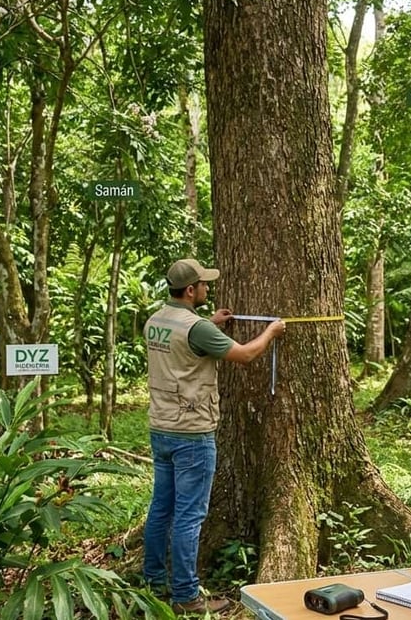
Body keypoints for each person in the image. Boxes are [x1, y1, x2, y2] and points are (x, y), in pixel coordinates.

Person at [143, 258, 285, 616]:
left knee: (161, 509)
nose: (208, 288)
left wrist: (211, 323)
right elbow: (246, 354)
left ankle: (153, 581)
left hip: (161, 428)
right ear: (190, 290)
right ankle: (187, 595)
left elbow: (184, 344)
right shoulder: (197, 328)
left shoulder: (156, 320)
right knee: (189, 517)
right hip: (192, 433)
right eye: (204, 284)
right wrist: (271, 332)